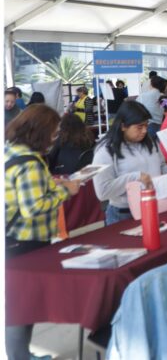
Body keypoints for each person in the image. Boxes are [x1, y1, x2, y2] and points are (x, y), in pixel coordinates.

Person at [5, 105, 81, 360]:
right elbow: (33, 207)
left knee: (20, 303)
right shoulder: (31, 163)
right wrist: (65, 191)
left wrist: (51, 185)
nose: (55, 136)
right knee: (21, 305)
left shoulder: (11, 150)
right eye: (53, 131)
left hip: (14, 240)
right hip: (24, 241)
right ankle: (20, 356)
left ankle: (23, 354)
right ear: (40, 131)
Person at [92, 101, 167, 225]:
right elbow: (103, 192)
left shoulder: (150, 143)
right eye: (139, 127)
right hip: (124, 214)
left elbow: (160, 168)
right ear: (123, 126)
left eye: (146, 126)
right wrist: (135, 177)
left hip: (155, 205)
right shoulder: (106, 151)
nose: (144, 131)